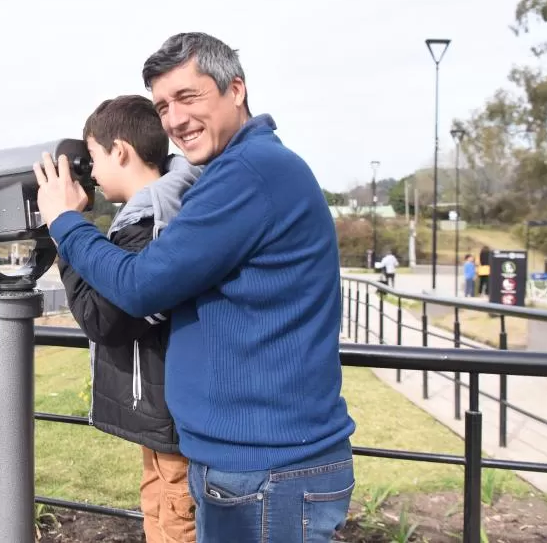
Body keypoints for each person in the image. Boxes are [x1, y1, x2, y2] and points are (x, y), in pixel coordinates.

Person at [34, 32, 356, 542]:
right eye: (163, 106)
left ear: (236, 90)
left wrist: (65, 223)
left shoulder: (249, 174)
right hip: (245, 462)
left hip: (266, 467)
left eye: (189, 97)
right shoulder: (233, 173)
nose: (175, 120)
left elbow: (139, 286)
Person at [59, 94, 202, 543]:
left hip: (175, 422)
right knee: (160, 516)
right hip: (164, 422)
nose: (93, 173)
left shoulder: (154, 222)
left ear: (119, 150)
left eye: (94, 157)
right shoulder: (152, 212)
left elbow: (103, 318)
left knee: (176, 525)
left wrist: (65, 226)